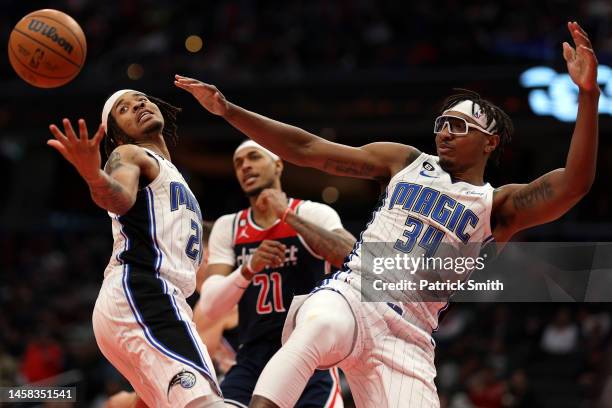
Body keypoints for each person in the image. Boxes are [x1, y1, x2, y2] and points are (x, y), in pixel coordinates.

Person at [175, 21, 599, 408]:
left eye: (459, 126)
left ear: (489, 143)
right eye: (442, 123)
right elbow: (309, 150)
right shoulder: (406, 161)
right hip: (356, 293)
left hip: (411, 333)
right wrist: (230, 111)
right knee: (317, 328)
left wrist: (587, 96)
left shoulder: (498, 206)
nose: (445, 132)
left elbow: (574, 184)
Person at [47, 90, 224, 408]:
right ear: (116, 137)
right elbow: (119, 198)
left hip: (160, 301)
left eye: (141, 99)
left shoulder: (174, 176)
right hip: (142, 291)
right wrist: (93, 174)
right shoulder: (129, 155)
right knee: (205, 402)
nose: (138, 105)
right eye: (124, 109)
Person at [196, 140, 355, 407]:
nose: (245, 165)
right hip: (252, 357)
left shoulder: (313, 212)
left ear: (278, 165)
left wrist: (287, 216)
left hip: (307, 353)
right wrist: (248, 269)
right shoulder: (229, 226)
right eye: (238, 162)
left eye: (254, 157)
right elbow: (211, 306)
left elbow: (354, 256)